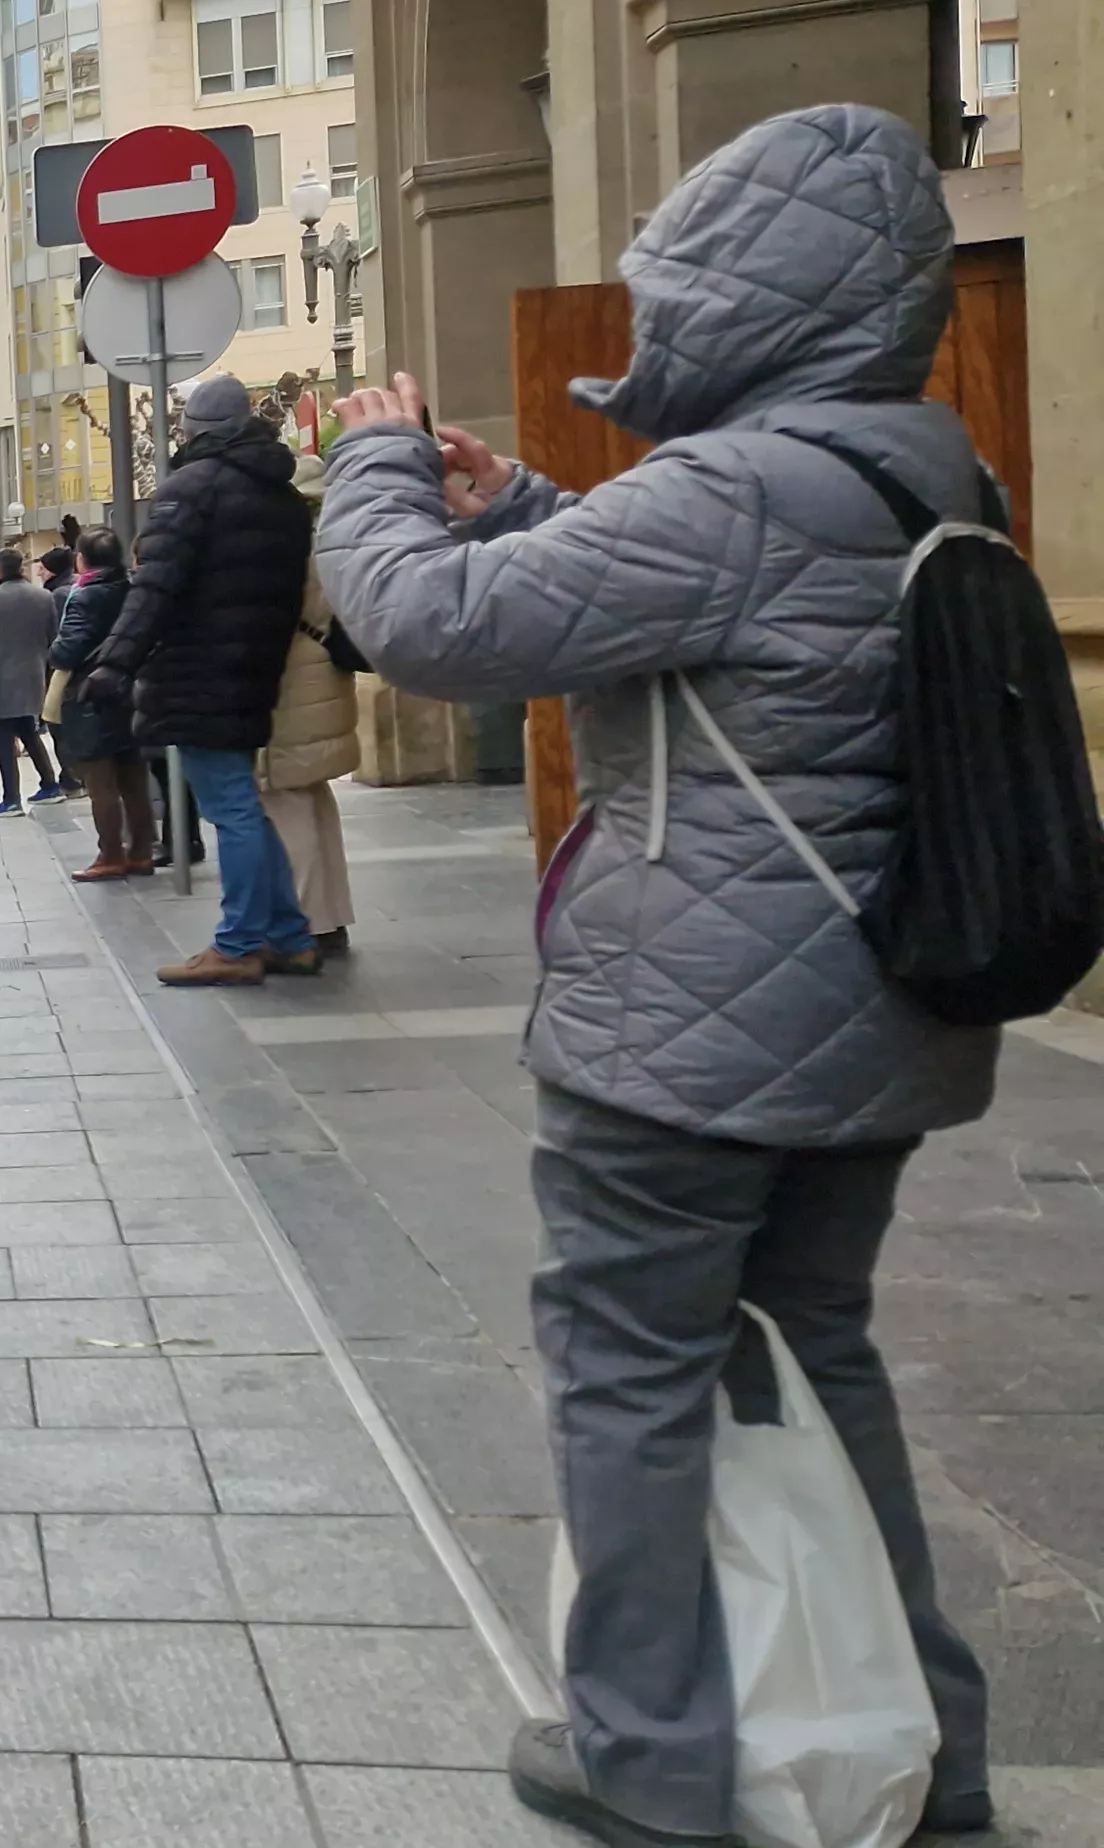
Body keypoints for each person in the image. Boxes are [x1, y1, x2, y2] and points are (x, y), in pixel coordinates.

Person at [319, 106, 998, 1848]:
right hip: (880, 1013)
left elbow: (439, 628)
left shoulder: (730, 487)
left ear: (750, 298)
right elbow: (728, 613)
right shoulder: (917, 460)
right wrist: (530, 500)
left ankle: (651, 1753)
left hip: (690, 1034)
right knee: (818, 1354)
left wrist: (381, 467)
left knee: (631, 1367)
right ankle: (931, 1744)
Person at [85, 372, 319, 987]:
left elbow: (156, 586)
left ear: (194, 432)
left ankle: (239, 943)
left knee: (232, 807)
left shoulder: (192, 489)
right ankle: (289, 935)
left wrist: (114, 660)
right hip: (255, 664)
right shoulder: (283, 496)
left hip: (197, 667)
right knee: (241, 802)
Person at [264, 456, 360, 950]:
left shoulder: (287, 544)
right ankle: (330, 916)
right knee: (312, 795)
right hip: (322, 667)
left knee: (285, 795)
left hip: (294, 676)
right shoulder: (330, 537)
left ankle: (305, 922)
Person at [50, 530, 154, 881]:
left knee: (101, 781)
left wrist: (54, 652)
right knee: (133, 777)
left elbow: (68, 649)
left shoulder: (85, 596)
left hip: (91, 695)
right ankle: (141, 851)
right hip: (130, 691)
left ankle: (110, 853)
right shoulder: (132, 589)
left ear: (83, 559)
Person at [0, 549, 65, 814]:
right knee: (29, 730)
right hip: (35, 676)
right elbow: (53, 636)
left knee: (3, 738)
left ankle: (11, 798)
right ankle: (50, 784)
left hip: (0, 679)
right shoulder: (44, 596)